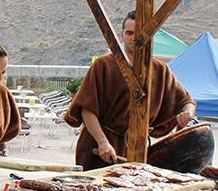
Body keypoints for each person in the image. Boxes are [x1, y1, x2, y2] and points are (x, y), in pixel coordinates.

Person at [65, 10, 196, 169]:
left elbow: (187, 101)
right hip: (99, 145)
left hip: (137, 147)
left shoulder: (160, 69)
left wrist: (187, 113)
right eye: (129, 33)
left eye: (139, 33)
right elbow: (87, 109)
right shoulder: (103, 65)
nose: (134, 38)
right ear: (122, 35)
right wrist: (102, 142)